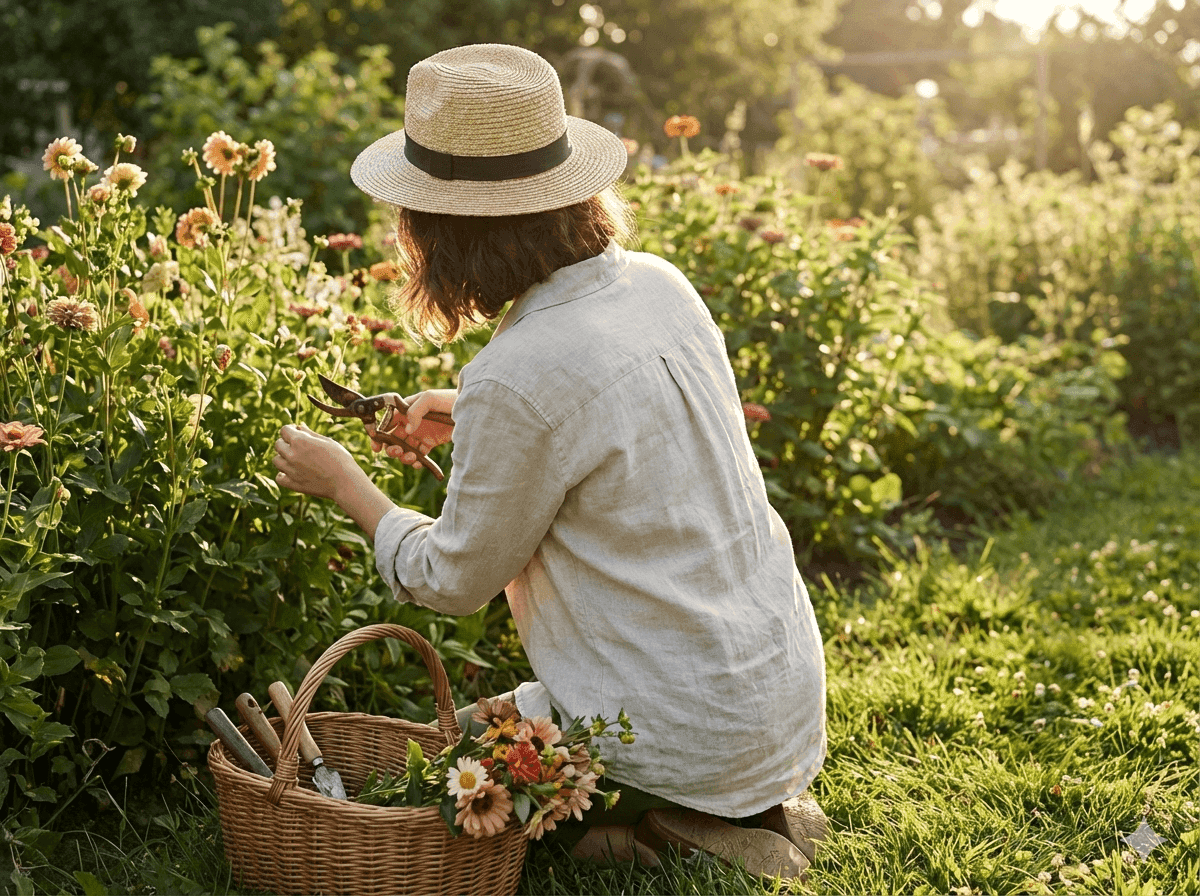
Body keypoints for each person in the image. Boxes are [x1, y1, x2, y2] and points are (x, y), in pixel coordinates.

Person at [271, 43, 828, 879]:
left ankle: (643, 827)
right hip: (772, 697)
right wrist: (462, 411)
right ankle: (739, 806)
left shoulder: (518, 376)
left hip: (674, 723)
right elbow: (611, 416)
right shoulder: (658, 285)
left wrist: (344, 483)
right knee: (481, 738)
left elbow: (451, 581)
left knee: (453, 781)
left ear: (448, 234)